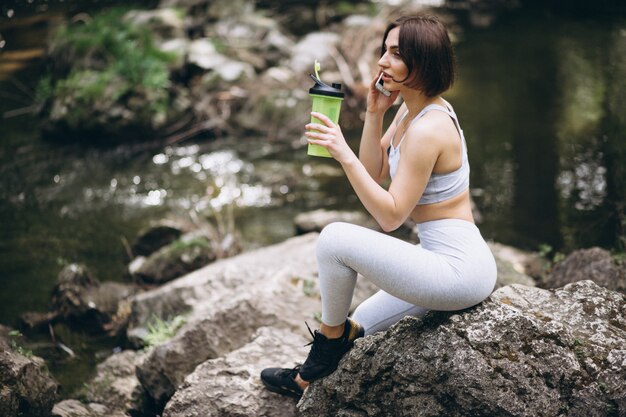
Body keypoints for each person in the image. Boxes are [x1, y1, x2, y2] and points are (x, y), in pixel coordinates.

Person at [260, 13, 497, 399]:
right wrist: (374, 113)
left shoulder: (429, 128)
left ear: (423, 62)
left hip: (457, 270)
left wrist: (342, 154)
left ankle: (327, 340)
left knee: (334, 239)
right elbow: (376, 171)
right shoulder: (409, 110)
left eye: (395, 53)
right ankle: (307, 378)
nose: (382, 62)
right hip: (438, 258)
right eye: (383, 51)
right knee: (359, 327)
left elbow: (390, 216)